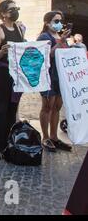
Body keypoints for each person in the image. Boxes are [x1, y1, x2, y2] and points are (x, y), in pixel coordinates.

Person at [0, 0, 25, 164]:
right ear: (3, 13)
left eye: (16, 8)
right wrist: (1, 51)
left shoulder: (19, 28)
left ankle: (5, 145)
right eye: (11, 9)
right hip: (3, 73)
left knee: (12, 111)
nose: (15, 11)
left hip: (16, 74)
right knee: (1, 111)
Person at [37, 11, 72, 152]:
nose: (59, 24)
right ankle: (45, 137)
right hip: (49, 76)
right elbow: (47, 55)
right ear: (47, 23)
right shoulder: (44, 37)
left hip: (61, 77)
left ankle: (54, 136)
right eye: (56, 21)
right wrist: (62, 41)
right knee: (47, 107)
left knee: (57, 107)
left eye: (60, 21)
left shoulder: (60, 37)